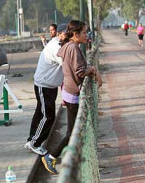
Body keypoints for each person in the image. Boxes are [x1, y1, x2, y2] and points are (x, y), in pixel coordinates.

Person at [41, 20, 102, 175]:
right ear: (75, 34)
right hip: (72, 93)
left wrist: (91, 70)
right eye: (84, 32)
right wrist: (93, 69)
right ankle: (51, 156)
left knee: (74, 130)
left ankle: (71, 156)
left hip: (68, 91)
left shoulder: (68, 45)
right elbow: (80, 72)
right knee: (72, 132)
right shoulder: (73, 48)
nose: (87, 35)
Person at [24, 23, 67, 155]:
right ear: (59, 34)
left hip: (49, 85)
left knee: (40, 114)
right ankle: (35, 143)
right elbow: (67, 63)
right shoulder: (55, 47)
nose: (68, 35)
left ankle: (32, 140)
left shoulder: (58, 44)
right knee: (48, 116)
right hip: (44, 85)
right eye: (66, 33)